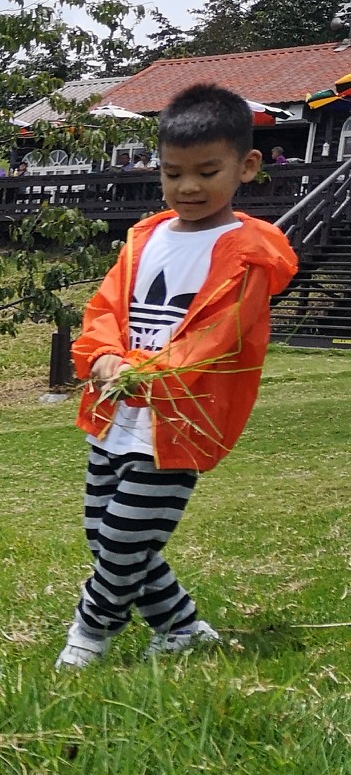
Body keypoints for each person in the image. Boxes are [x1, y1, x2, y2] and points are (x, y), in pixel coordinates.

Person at [57, 82, 298, 668]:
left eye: (206, 172)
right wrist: (106, 355)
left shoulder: (247, 254)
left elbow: (217, 339)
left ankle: (89, 635)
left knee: (124, 542)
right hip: (115, 412)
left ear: (246, 166)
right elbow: (106, 308)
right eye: (172, 173)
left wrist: (143, 370)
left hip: (182, 421)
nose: (188, 187)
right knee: (107, 536)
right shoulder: (145, 238)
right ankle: (182, 628)